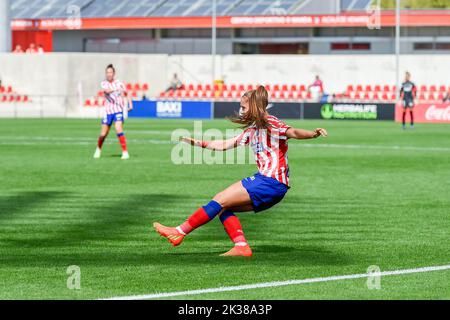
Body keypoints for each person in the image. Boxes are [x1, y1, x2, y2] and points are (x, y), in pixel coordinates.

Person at [153, 86, 328, 257]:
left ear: (254, 106)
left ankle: (178, 232)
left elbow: (293, 132)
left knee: (220, 199)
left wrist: (313, 134)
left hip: (270, 181)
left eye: (243, 107)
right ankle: (241, 246)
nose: (241, 110)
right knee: (222, 207)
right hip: (271, 185)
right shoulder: (251, 130)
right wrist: (198, 142)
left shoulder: (272, 124)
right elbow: (223, 145)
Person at [93, 64, 132, 160]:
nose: (109, 74)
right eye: (107, 72)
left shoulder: (120, 83)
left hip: (118, 110)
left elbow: (127, 93)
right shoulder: (104, 83)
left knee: (118, 129)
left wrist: (130, 104)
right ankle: (98, 149)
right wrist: (117, 89)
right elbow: (107, 91)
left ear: (114, 73)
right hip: (108, 111)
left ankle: (125, 152)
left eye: (110, 72)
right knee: (103, 134)